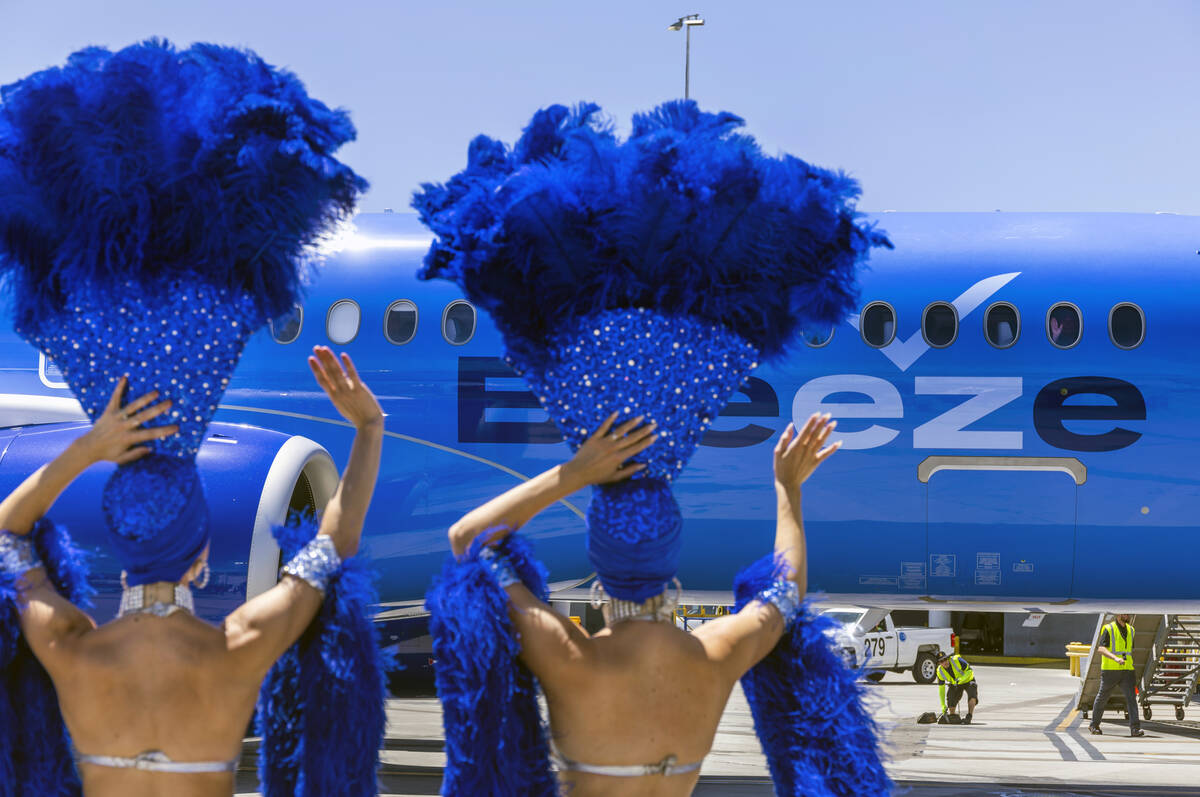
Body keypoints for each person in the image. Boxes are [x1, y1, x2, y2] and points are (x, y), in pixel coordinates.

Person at [436, 413, 888, 796]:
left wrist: (576, 473)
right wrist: (788, 488)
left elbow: (468, 542)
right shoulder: (716, 655)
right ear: (672, 572)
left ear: (599, 573)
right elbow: (787, 591)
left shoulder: (568, 656)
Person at [0, 348, 382, 796]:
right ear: (201, 558)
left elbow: (8, 531)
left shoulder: (72, 646)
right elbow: (337, 543)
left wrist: (89, 447)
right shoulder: (240, 645)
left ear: (119, 548)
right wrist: (369, 428)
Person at [1089, 613, 1144, 737]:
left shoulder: (1131, 630)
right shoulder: (1109, 628)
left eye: (1128, 613)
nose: (1127, 615)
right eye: (1125, 613)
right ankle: (1094, 725)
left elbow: (1129, 650)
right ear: (1118, 615)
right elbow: (1101, 649)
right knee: (1102, 697)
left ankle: (1135, 729)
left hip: (1127, 670)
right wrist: (1115, 658)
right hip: (1110, 670)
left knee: (1131, 699)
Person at [935, 649, 979, 724]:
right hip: (956, 684)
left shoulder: (957, 659)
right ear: (939, 663)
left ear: (947, 658)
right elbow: (941, 689)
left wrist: (961, 680)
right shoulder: (940, 672)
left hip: (968, 680)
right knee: (951, 697)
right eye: (941, 661)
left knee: (972, 694)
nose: (945, 662)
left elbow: (970, 671)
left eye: (945, 659)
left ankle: (969, 716)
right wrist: (943, 705)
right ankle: (953, 716)